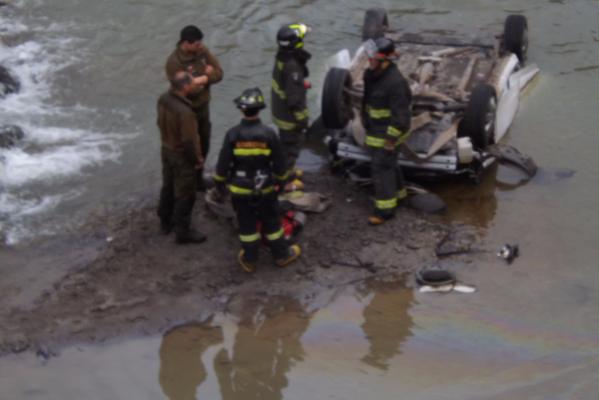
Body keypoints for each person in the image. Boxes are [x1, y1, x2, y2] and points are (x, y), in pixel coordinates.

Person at [213, 87, 301, 272]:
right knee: (272, 223)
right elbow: (280, 164)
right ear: (259, 109)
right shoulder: (269, 134)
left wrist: (219, 184)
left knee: (246, 226)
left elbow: (222, 165)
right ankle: (282, 256)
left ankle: (250, 260)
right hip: (265, 190)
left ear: (241, 109)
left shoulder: (232, 134)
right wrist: (281, 182)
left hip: (240, 192)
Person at [361, 37, 412, 225]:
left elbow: (401, 118)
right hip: (376, 130)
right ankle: (399, 194)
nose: (369, 61)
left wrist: (390, 141)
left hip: (390, 134)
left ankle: (385, 210)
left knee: (380, 168)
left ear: (385, 61)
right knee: (389, 166)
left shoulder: (396, 83)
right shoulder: (372, 75)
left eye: (373, 58)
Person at [166, 25, 223, 190]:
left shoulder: (202, 51)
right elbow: (190, 91)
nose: (200, 46)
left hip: (203, 108)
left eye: (200, 43)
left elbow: (219, 73)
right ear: (186, 43)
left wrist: (200, 79)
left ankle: (199, 179)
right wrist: (207, 76)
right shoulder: (174, 63)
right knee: (188, 146)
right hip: (186, 110)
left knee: (204, 143)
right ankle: (186, 180)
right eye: (196, 44)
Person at [156, 71, 207, 244]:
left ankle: (165, 221)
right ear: (185, 87)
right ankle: (183, 231)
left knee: (168, 186)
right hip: (181, 156)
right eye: (193, 82)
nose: (196, 84)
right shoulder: (185, 112)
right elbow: (189, 141)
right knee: (186, 193)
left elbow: (159, 123)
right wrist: (197, 160)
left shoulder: (163, 99)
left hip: (166, 149)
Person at [271, 23, 311, 183]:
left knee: (284, 145)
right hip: (289, 117)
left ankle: (286, 171)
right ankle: (285, 182)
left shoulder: (282, 56)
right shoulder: (292, 66)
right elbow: (294, 100)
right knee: (291, 148)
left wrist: (300, 85)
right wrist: (302, 119)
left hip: (280, 112)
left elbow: (288, 86)